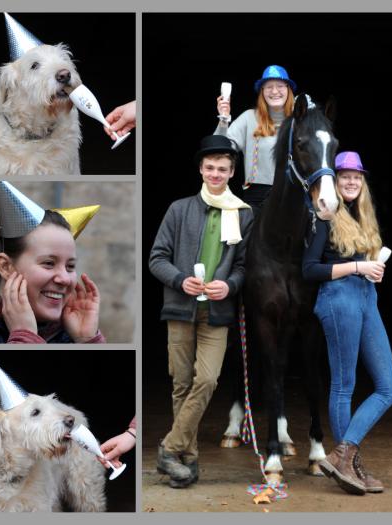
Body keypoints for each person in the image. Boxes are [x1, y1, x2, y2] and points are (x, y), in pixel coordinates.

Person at [149, 135, 252, 488]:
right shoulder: (179, 209)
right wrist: (180, 280)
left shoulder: (243, 213)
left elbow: (243, 266)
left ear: (232, 172)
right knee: (181, 384)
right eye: (210, 168)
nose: (215, 174)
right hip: (180, 308)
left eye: (222, 169)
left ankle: (168, 448)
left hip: (218, 312)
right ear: (200, 169)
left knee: (207, 380)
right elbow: (156, 258)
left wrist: (231, 285)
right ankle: (187, 461)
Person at [302, 151, 392, 495]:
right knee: (344, 384)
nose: (351, 182)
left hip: (365, 297)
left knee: (390, 386)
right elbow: (309, 268)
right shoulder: (326, 215)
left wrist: (372, 268)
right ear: (335, 181)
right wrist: (358, 267)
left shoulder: (363, 216)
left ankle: (343, 455)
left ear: (363, 182)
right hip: (338, 297)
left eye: (356, 177)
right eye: (345, 177)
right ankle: (351, 466)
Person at [0, 182, 105, 344]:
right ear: (6, 267)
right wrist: (25, 336)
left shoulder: (71, 332)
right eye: (49, 263)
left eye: (70, 266)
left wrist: (87, 341)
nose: (65, 279)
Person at [215, 65, 296, 214]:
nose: (275, 91)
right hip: (257, 199)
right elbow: (218, 150)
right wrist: (224, 119)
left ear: (289, 89)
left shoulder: (300, 120)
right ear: (262, 92)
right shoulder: (249, 117)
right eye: (268, 87)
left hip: (293, 196)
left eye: (280, 86)